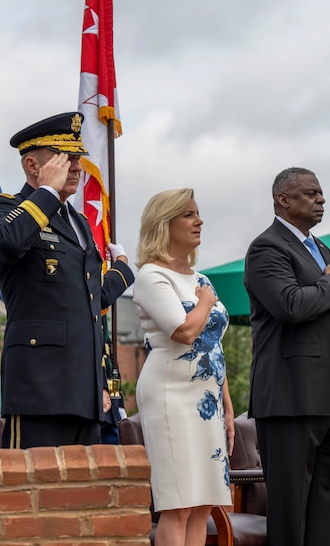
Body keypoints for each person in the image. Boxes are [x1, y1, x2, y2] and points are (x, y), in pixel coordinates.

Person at [0, 111, 134, 448]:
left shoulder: (79, 223)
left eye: (78, 158)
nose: (77, 167)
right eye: (66, 158)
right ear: (34, 166)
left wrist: (122, 271)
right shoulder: (5, 207)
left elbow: (87, 299)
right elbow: (5, 243)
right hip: (40, 385)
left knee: (82, 494)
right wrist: (47, 193)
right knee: (32, 489)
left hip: (85, 389)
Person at [243, 168, 330, 546]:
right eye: (311, 193)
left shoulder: (321, 247)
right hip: (291, 398)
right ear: (284, 199)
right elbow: (290, 305)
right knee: (291, 514)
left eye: (322, 193)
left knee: (328, 511)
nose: (321, 199)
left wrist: (327, 284)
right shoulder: (267, 248)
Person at [133, 188, 234, 545]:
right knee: (178, 504)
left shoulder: (199, 277)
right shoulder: (150, 275)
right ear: (165, 224)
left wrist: (225, 400)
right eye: (189, 214)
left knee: (204, 503)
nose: (199, 220)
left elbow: (214, 343)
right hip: (170, 394)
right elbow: (185, 331)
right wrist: (206, 301)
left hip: (206, 395)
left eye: (198, 213)